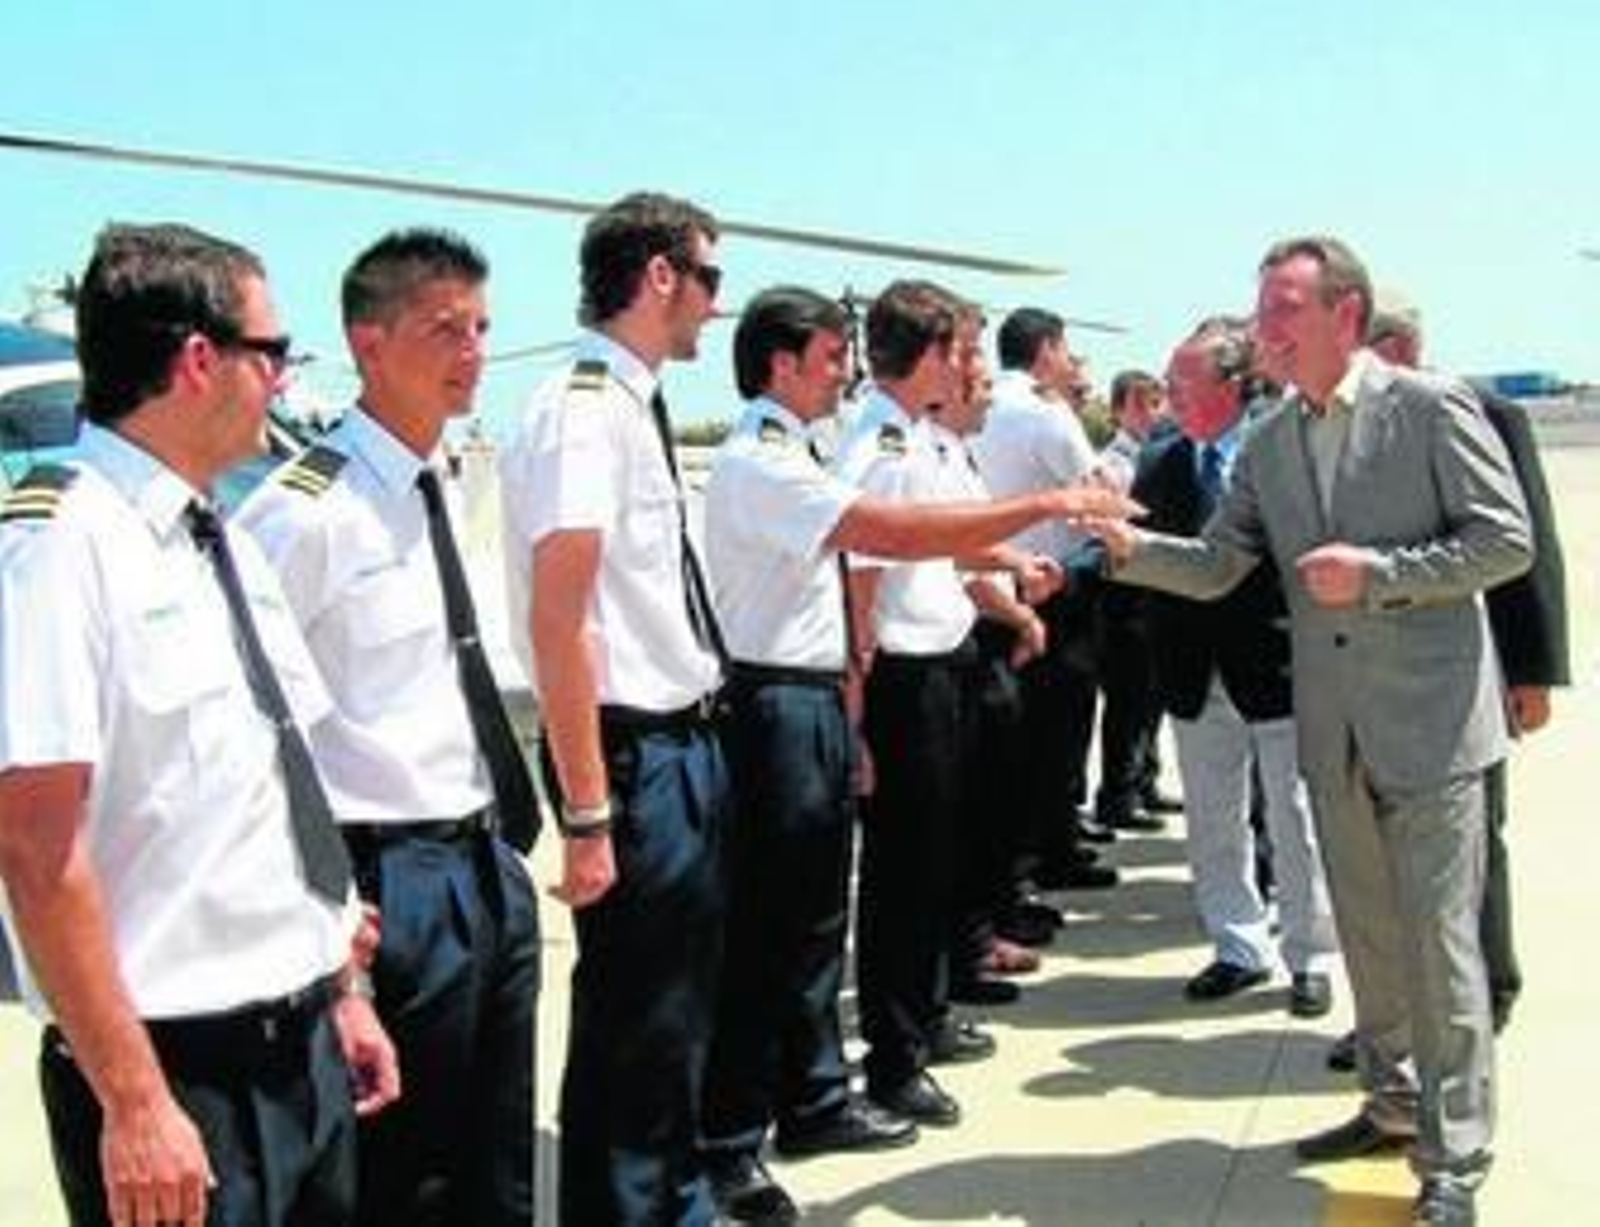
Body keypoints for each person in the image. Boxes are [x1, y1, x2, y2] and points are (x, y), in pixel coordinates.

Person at [1100, 236, 1531, 1226]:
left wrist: (1380, 574)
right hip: (1332, 728)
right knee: (1371, 939)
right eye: (1259, 312)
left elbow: (1502, 540)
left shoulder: (1429, 407)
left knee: (1441, 947)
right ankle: (1385, 1103)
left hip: (1429, 727)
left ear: (1344, 312)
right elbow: (1217, 563)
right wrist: (1127, 549)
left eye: (1283, 309)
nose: (1265, 331)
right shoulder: (1274, 438)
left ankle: (1454, 1153)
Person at [700, 286, 1130, 1224]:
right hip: (788, 697)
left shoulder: (819, 447)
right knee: (782, 927)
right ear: (780, 365)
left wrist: (1012, 568)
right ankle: (736, 1139)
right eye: (825, 359)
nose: (841, 374)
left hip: (822, 691)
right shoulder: (781, 458)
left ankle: (813, 1097)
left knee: (817, 922)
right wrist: (1053, 504)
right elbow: (883, 548)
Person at [0, 222, 398, 1227]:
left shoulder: (217, 539)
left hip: (302, 1048)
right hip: (180, 1076)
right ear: (197, 361)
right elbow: (35, 846)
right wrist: (135, 1103)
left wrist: (341, 989)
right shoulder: (61, 545)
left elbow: (275, 783)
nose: (283, 379)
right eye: (274, 354)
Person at [237, 228, 541, 1226]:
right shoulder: (303, 512)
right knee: (402, 1171)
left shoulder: (438, 479)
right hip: (387, 876)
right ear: (368, 343)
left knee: (494, 1160)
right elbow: (254, 722)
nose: (473, 351)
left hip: (483, 856)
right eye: (443, 328)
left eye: (482, 327)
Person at [499, 191, 727, 1226]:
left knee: (670, 1013)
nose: (716, 309)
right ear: (660, 277)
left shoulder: (629, 403)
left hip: (680, 738)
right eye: (709, 279)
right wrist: (588, 816)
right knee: (638, 1018)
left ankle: (664, 1200)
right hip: (633, 755)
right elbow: (564, 619)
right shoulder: (583, 409)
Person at [1366, 293, 1568, 1034]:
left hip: (1467, 669)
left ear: (1395, 350)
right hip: (1372, 682)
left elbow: (1528, 550)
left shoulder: (1476, 409)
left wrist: (1533, 670)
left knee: (1476, 837)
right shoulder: (1331, 428)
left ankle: (1489, 991)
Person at [1136, 317, 1338, 1016]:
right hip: (1195, 673)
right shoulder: (1161, 460)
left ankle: (1310, 957)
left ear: (1231, 384)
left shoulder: (1279, 451)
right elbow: (1142, 553)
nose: (1169, 394)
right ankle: (1237, 946)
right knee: (1213, 819)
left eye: (1181, 381)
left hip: (1276, 665)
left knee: (1296, 818)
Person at [970, 307, 1116, 896]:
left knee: (1011, 742)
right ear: (1047, 349)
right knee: (1059, 732)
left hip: (989, 591)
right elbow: (1099, 492)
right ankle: (1051, 849)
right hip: (1051, 590)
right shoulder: (1045, 414)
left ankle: (1022, 860)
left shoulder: (977, 410)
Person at [1090, 368, 1178, 837]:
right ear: (1119, 410)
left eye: (1156, 402)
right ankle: (1116, 794)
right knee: (1128, 699)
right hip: (1124, 593)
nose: (1152, 412)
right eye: (1141, 404)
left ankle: (1145, 778)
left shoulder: (1157, 455)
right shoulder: (1115, 462)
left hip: (1155, 588)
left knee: (1151, 696)